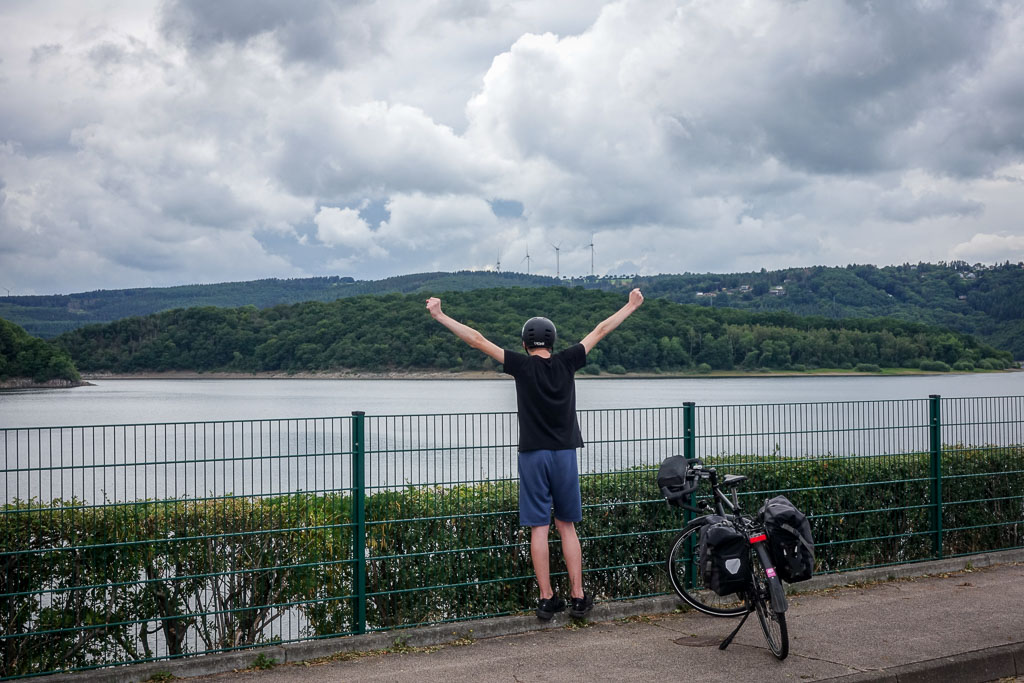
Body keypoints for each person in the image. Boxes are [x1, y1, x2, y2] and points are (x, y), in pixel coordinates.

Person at [425, 288, 644, 620]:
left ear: (526, 344)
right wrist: (630, 305)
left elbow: (477, 339)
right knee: (567, 526)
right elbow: (600, 329)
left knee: (539, 528)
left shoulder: (521, 366)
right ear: (552, 341)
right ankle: (579, 597)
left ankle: (546, 599)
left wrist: (440, 315)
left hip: (532, 455)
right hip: (565, 453)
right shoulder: (568, 361)